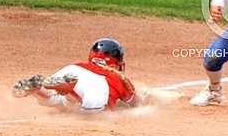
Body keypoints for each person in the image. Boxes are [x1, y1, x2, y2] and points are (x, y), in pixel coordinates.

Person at [13, 38, 141, 113]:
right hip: (97, 87)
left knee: (55, 99)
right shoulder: (118, 77)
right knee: (94, 115)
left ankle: (41, 88)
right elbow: (136, 103)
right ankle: (68, 90)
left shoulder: (79, 65)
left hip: (74, 72)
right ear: (115, 63)